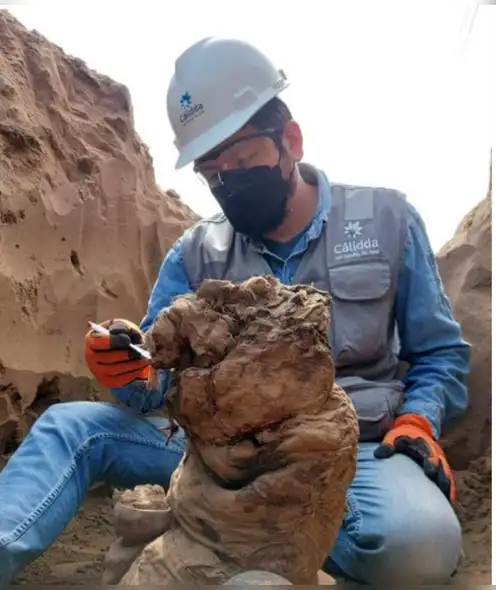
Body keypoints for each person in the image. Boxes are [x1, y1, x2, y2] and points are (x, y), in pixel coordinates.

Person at [0, 37, 470, 585]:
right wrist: (125, 366)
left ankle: (233, 542)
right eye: (212, 172)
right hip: (212, 453)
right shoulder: (197, 251)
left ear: (290, 140)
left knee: (419, 547)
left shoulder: (386, 218)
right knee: (69, 426)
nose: (229, 182)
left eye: (243, 160)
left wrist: (419, 419)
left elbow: (438, 352)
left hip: (346, 451)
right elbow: (155, 383)